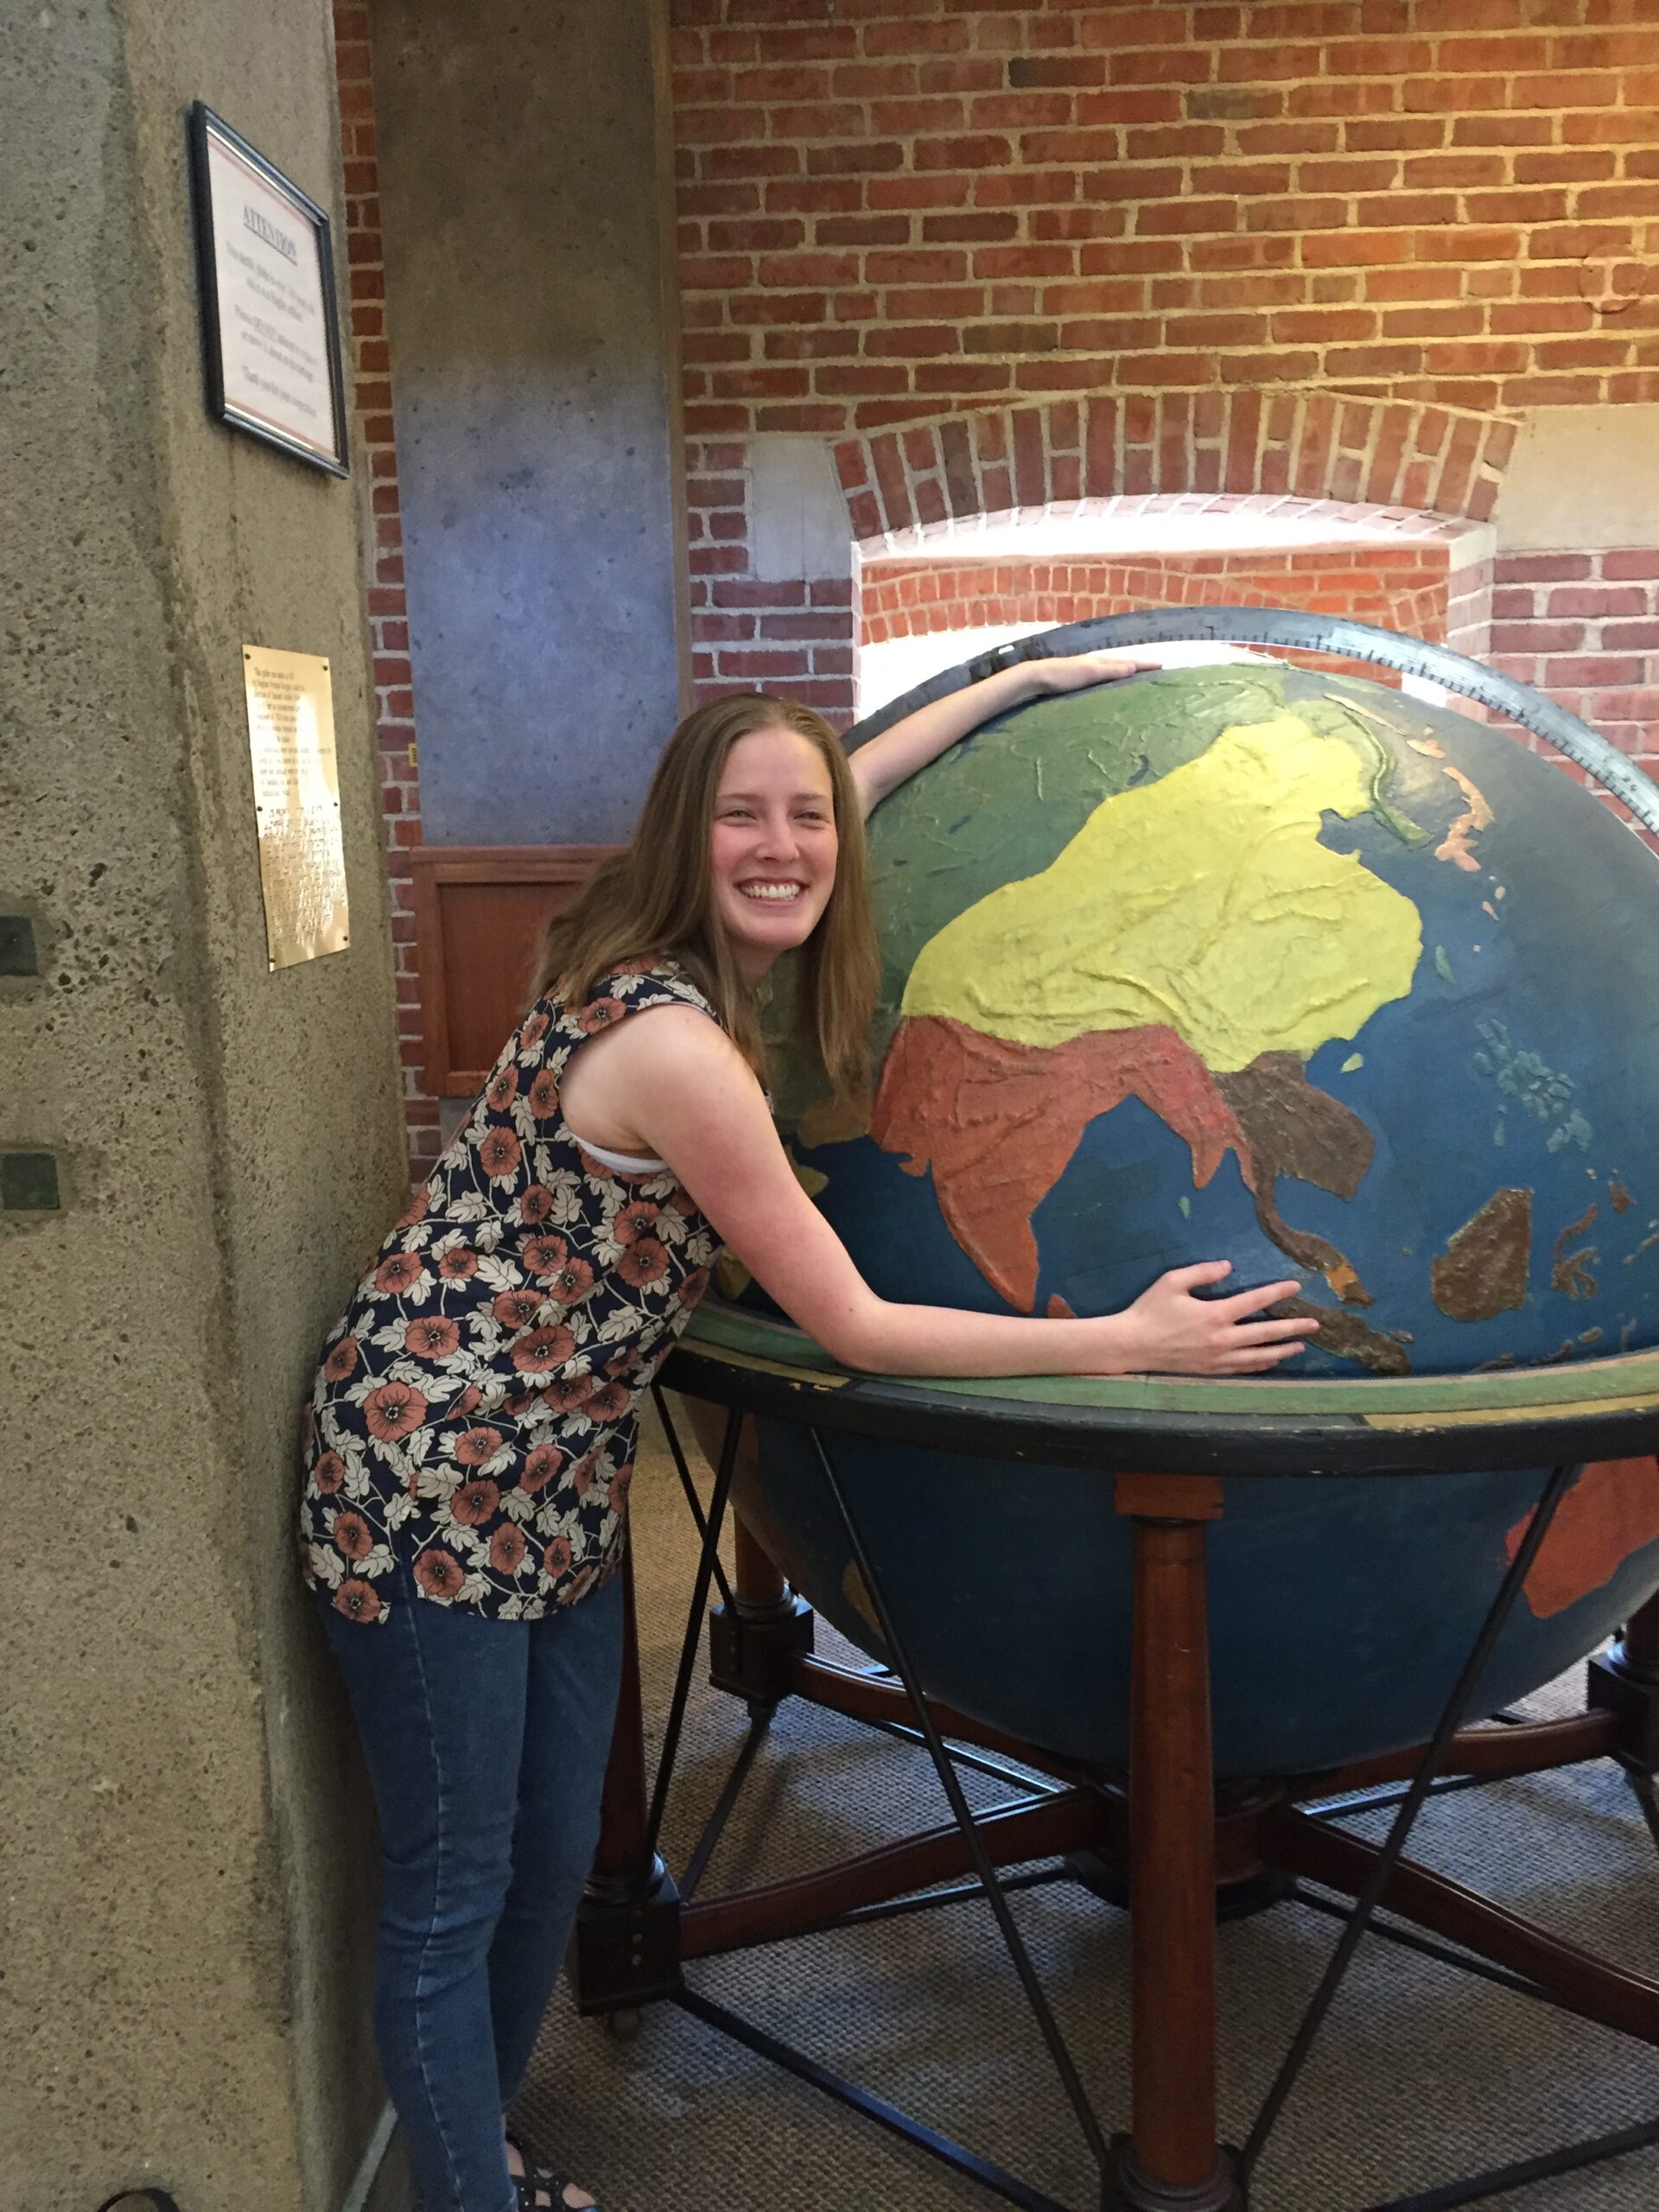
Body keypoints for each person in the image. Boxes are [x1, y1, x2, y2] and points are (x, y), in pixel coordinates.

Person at [299, 654, 1316, 2212]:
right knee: (456, 1892)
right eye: (739, 820)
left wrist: (1019, 681)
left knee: (547, 1844)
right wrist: (1124, 1345)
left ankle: (480, 2153)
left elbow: (846, 783)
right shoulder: (682, 1052)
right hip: (428, 1473)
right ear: (679, 838)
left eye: (808, 820)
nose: (783, 847)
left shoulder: (640, 946)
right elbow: (854, 1325)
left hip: (557, 1476)